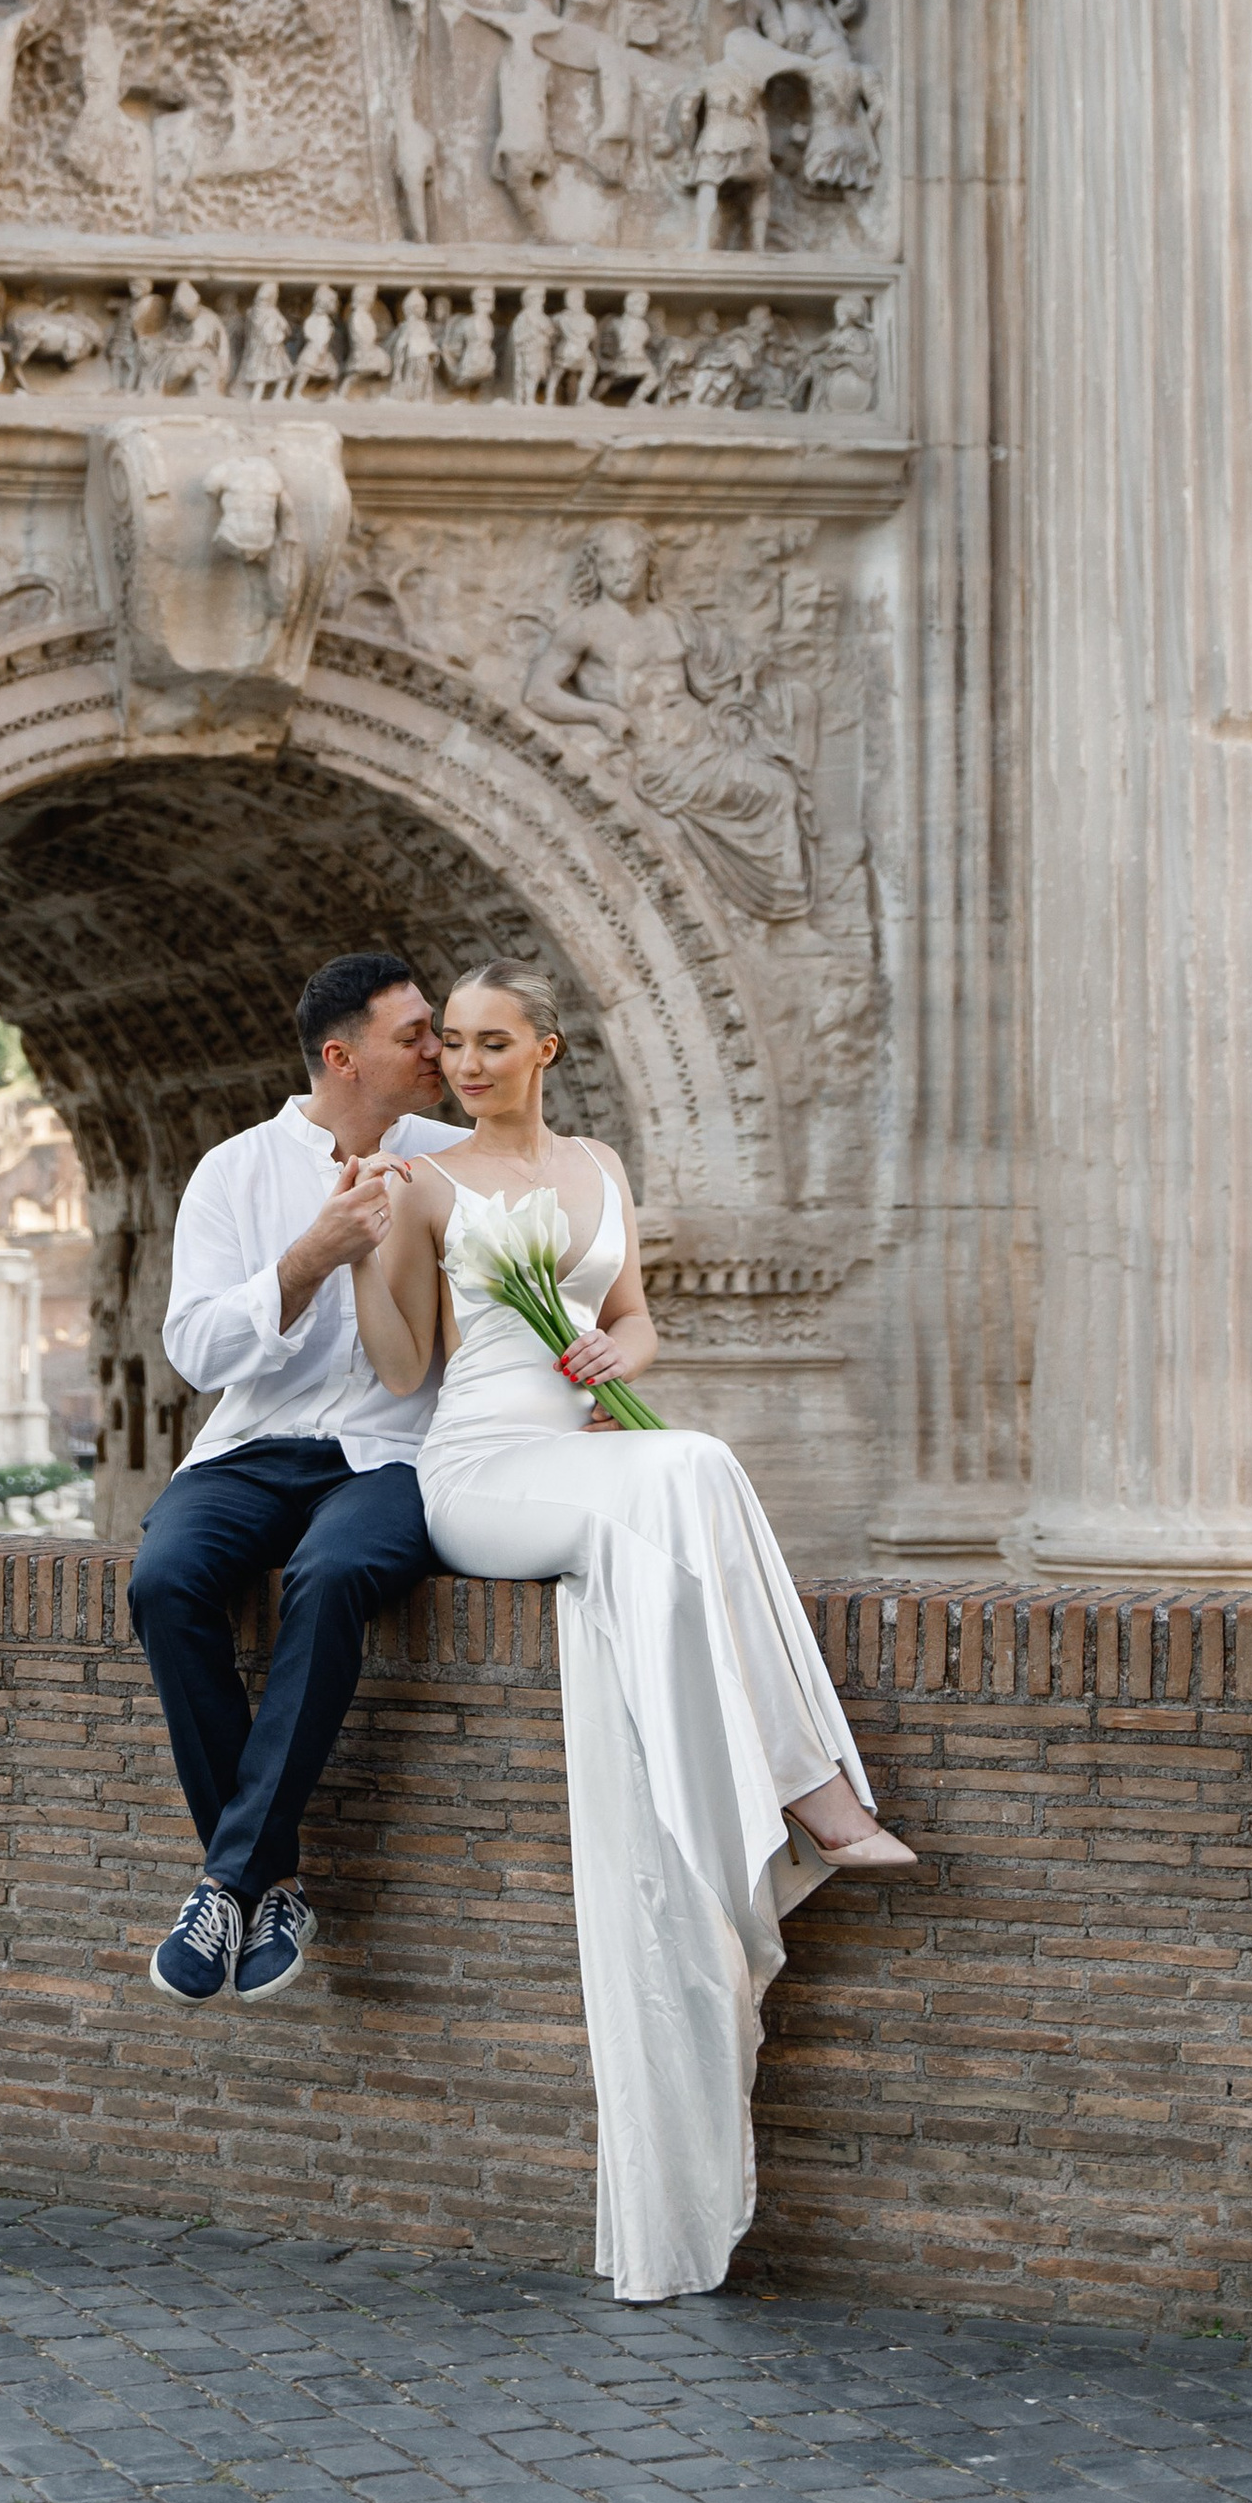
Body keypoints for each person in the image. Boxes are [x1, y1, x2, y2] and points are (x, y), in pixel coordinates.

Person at [354, 965, 913, 2305]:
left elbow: (636, 1316)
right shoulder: (424, 1182)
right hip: (483, 1473)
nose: (471, 1065)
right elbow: (398, 1366)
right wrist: (373, 1241)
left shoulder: (600, 1164)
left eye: (496, 1043)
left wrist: (626, 1361)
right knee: (686, 1479)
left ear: (546, 1046)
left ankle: (796, 1792)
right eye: (457, 1049)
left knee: (698, 1463)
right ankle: (803, 1794)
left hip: (591, 1455)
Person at [128, 953, 466, 2011]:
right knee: (165, 1580)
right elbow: (193, 1349)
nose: (437, 1051)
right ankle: (271, 1883)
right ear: (341, 1055)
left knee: (331, 1574)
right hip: (256, 1444)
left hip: (398, 1453)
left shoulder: (458, 1163)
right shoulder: (232, 1172)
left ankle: (227, 1882)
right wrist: (305, 1260)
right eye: (414, 1034)